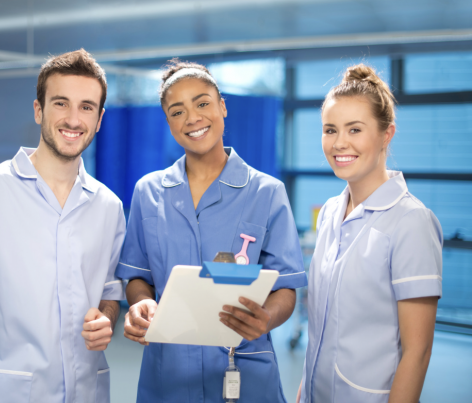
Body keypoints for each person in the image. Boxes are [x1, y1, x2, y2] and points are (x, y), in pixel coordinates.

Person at [0, 49, 125, 403]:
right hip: (12, 392)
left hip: (89, 390)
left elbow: (109, 292)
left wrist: (106, 320)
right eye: (61, 103)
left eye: (86, 107)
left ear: (99, 120)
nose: (73, 119)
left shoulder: (109, 206)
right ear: (39, 110)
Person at [116, 60, 307, 402]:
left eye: (202, 103)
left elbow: (286, 288)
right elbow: (137, 276)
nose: (192, 118)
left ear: (222, 106)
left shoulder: (266, 193)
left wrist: (265, 320)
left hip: (245, 373)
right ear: (168, 122)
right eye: (177, 111)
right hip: (168, 377)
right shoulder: (148, 192)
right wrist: (141, 304)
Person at [297, 64, 442, 403]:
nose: (339, 143)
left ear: (386, 134)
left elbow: (417, 353)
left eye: (355, 129)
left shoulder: (411, 222)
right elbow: (319, 331)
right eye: (330, 130)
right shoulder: (331, 212)